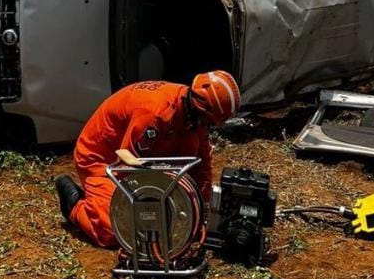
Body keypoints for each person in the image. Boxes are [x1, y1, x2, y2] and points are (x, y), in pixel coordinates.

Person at [55, 70, 241, 248]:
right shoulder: (153, 114)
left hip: (148, 149)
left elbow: (202, 164)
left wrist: (203, 209)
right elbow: (126, 168)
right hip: (103, 158)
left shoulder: (193, 114)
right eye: (207, 122)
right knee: (115, 231)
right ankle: (74, 205)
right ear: (199, 108)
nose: (206, 128)